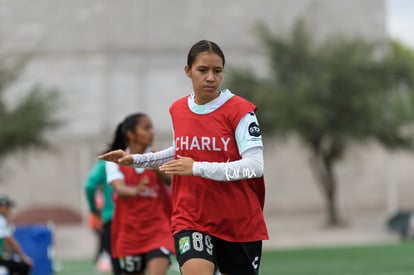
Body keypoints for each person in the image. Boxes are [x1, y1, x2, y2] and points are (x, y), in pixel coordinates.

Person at [99, 40, 269, 275]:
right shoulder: (178, 109)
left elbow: (254, 167)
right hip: (191, 217)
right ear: (187, 71)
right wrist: (136, 159)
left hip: (237, 222)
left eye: (217, 71)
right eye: (203, 70)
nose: (210, 77)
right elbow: (181, 151)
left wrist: (197, 168)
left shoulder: (240, 111)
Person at [106, 113, 174, 275]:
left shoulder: (158, 157)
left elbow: (169, 181)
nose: (152, 132)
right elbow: (119, 188)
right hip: (129, 234)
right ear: (131, 134)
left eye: (152, 128)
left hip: (158, 231)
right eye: (146, 128)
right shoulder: (117, 159)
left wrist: (155, 163)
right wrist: (135, 190)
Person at [85, 123, 125, 275]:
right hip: (138, 220)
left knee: (118, 267)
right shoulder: (144, 159)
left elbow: (89, 186)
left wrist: (94, 209)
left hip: (112, 220)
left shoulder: (107, 160)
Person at [0, 196, 32, 275]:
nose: (9, 210)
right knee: (24, 266)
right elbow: (9, 239)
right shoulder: (1, 220)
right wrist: (23, 256)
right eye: (7, 207)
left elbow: (4, 243)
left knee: (12, 265)